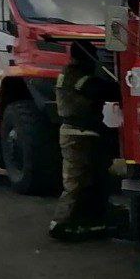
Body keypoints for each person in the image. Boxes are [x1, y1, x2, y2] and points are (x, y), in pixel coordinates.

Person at [49, 41, 120, 242]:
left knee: (89, 179)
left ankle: (87, 221)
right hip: (80, 133)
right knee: (77, 181)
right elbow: (109, 91)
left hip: (76, 132)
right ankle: (61, 223)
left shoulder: (68, 73)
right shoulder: (81, 78)